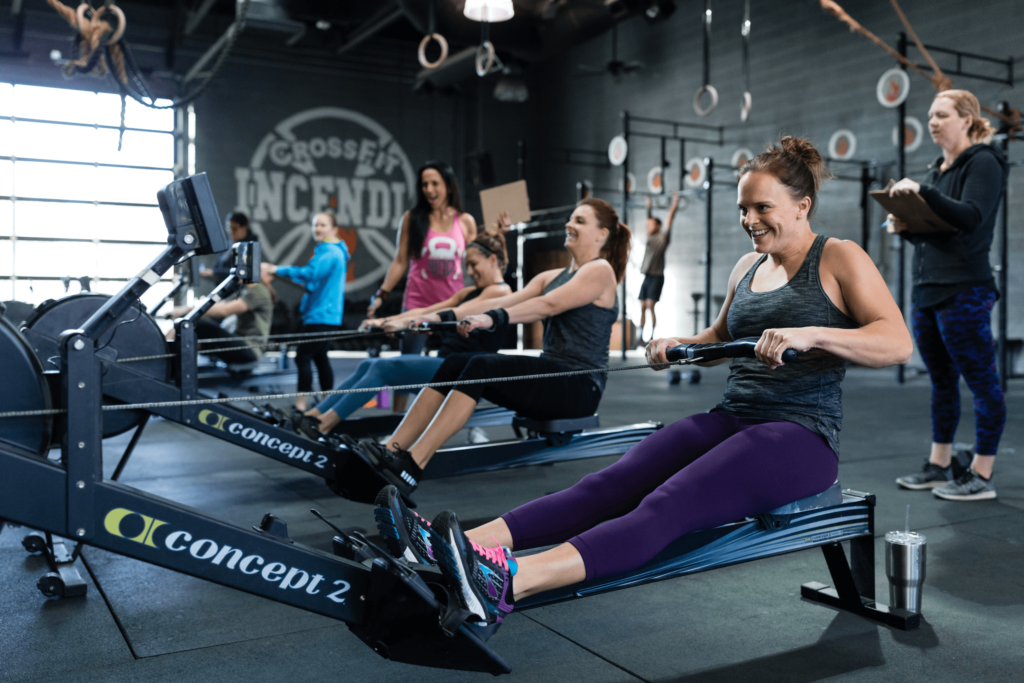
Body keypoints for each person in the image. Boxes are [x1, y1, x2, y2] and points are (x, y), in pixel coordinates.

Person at [373, 137, 912, 628]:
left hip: (801, 434)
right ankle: (450, 547)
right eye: (744, 208)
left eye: (762, 207)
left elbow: (895, 343)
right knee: (606, 486)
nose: (750, 219)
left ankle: (505, 581)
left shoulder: (838, 257)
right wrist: (678, 346)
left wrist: (815, 333)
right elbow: (720, 338)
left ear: (802, 206)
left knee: (668, 503)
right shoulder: (748, 266)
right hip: (733, 416)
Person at [351, 198, 631, 490]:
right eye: (571, 218)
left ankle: (412, 464)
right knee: (456, 362)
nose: (569, 225)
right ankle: (393, 449)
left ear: (602, 234)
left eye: (580, 221)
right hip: (554, 375)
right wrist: (424, 319)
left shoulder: (601, 271)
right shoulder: (552, 276)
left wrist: (492, 319)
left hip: (580, 385)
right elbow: (499, 300)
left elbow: (547, 305)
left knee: (481, 364)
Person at [890, 90, 1008, 502]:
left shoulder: (985, 162)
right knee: (941, 382)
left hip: (966, 291)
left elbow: (972, 218)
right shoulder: (938, 170)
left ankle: (982, 472)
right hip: (927, 291)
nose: (933, 122)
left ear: (968, 120)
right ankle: (940, 465)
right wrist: (908, 226)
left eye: (942, 115)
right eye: (930, 116)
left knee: (982, 383)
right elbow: (937, 235)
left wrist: (922, 193)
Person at [299, 231, 512, 437]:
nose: (470, 271)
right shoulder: (469, 292)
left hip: (462, 373)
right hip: (445, 365)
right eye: (467, 265)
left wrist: (405, 323)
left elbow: (447, 314)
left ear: (493, 260)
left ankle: (325, 424)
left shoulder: (501, 292)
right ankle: (312, 415)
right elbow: (426, 310)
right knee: (367, 365)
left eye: (473, 264)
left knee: (383, 368)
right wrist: (385, 321)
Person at [367, 161, 478, 359]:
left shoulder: (465, 221)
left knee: (452, 369)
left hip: (452, 307)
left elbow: (478, 260)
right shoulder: (412, 218)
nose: (429, 189)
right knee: (406, 369)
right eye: (424, 184)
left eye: (435, 183)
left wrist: (498, 235)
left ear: (448, 186)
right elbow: (400, 261)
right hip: (416, 305)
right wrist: (381, 296)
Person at [262, 211, 349, 411]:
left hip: (321, 315)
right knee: (320, 357)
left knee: (303, 356)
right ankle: (328, 403)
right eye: (315, 225)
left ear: (334, 229)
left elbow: (310, 274)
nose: (317, 229)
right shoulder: (334, 251)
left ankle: (301, 405)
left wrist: (276, 269)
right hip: (325, 315)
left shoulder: (329, 251)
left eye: (323, 225)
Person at [167, 274, 275, 365]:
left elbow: (224, 311)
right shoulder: (243, 291)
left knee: (194, 323)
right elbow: (220, 305)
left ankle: (164, 360)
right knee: (189, 336)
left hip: (250, 348)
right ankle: (168, 364)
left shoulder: (258, 291)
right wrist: (190, 309)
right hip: (239, 342)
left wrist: (187, 310)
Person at [638, 191, 681, 343]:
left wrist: (674, 203)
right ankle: (641, 336)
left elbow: (670, 219)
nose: (648, 225)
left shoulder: (663, 237)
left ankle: (651, 335)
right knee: (642, 305)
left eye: (651, 224)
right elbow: (647, 218)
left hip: (657, 276)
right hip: (647, 276)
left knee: (650, 305)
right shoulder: (650, 236)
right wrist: (648, 206)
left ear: (658, 226)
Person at [200, 212, 258, 281]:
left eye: (235, 228)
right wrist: (212, 273)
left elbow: (242, 274)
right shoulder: (229, 245)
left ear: (244, 227)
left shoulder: (249, 247)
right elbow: (217, 266)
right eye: (229, 228)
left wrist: (214, 273)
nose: (231, 232)